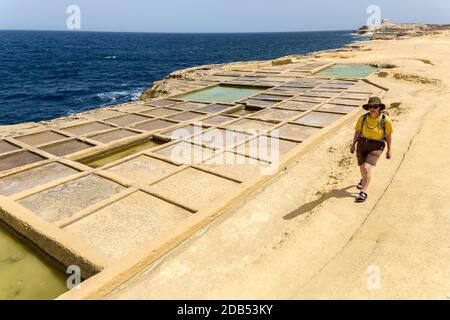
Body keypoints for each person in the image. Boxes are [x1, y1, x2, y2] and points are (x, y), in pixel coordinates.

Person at [350, 97, 393, 202]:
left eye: (375, 106)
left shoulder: (385, 120)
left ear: (379, 107)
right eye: (370, 106)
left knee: (366, 167)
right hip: (362, 143)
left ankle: (363, 192)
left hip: (377, 145)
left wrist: (389, 150)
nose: (372, 108)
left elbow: (388, 135)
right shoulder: (363, 118)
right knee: (362, 166)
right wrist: (353, 144)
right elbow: (357, 132)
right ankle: (364, 179)